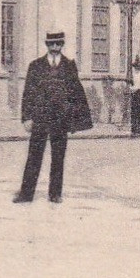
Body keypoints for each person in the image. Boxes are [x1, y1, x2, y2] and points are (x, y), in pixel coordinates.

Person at [15, 31, 93, 205]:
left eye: (58, 44)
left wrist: (74, 119)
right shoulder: (35, 66)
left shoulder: (69, 66)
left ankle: (55, 193)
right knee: (34, 155)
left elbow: (76, 92)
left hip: (60, 119)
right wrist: (26, 117)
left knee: (58, 157)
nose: (55, 47)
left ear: (62, 44)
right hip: (40, 117)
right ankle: (26, 194)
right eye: (52, 44)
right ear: (47, 45)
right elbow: (28, 93)